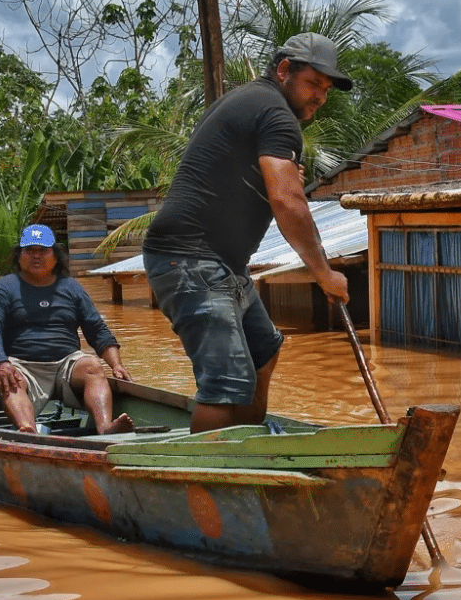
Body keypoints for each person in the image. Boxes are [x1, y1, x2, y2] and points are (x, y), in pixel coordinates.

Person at [142, 32, 352, 433]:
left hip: (220, 263)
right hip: (191, 259)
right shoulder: (275, 113)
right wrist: (324, 273)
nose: (321, 97)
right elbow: (288, 201)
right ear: (284, 70)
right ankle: (209, 485)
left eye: (326, 90)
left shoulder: (255, 102)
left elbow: (243, 173)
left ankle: (251, 450)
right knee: (226, 384)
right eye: (314, 84)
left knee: (264, 352)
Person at [0, 224, 133, 435]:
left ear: (55, 256)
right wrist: (0, 363)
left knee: (92, 365)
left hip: (66, 364)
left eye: (43, 251)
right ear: (19, 256)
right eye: (30, 251)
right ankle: (28, 429)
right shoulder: (3, 288)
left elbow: (97, 329)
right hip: (22, 365)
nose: (36, 256)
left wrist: (116, 365)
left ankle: (105, 427)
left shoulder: (71, 287)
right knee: (10, 378)